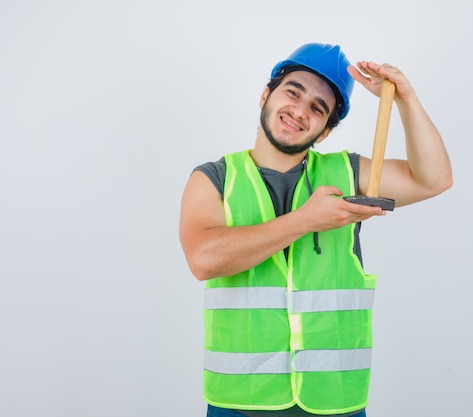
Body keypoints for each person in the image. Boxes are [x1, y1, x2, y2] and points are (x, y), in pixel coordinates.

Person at [179, 43, 453, 417]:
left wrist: (406, 99)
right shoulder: (214, 178)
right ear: (265, 95)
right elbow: (202, 259)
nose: (299, 111)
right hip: (239, 403)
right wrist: (306, 220)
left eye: (317, 109)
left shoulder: (349, 174)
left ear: (325, 131)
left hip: (335, 402)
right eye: (293, 93)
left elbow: (434, 179)